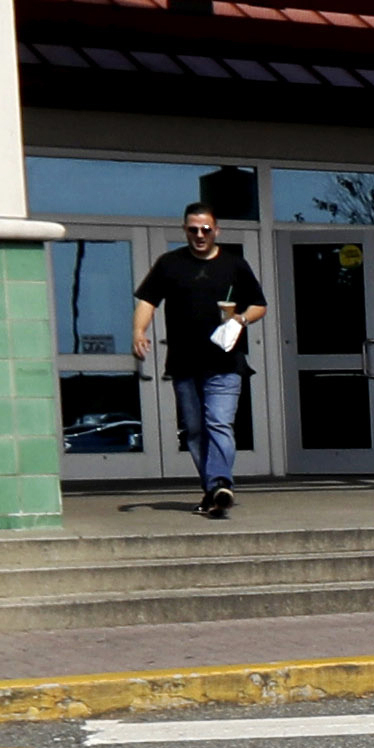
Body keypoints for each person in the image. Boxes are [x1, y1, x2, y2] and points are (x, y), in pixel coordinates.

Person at [132, 207, 269, 518]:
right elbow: (148, 301)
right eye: (194, 229)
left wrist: (240, 321)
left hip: (226, 362)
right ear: (185, 230)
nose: (200, 235)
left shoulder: (234, 265)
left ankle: (221, 481)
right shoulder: (170, 264)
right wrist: (138, 331)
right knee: (194, 431)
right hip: (184, 362)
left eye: (206, 229)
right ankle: (214, 491)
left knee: (218, 422)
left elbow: (259, 305)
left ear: (216, 231)